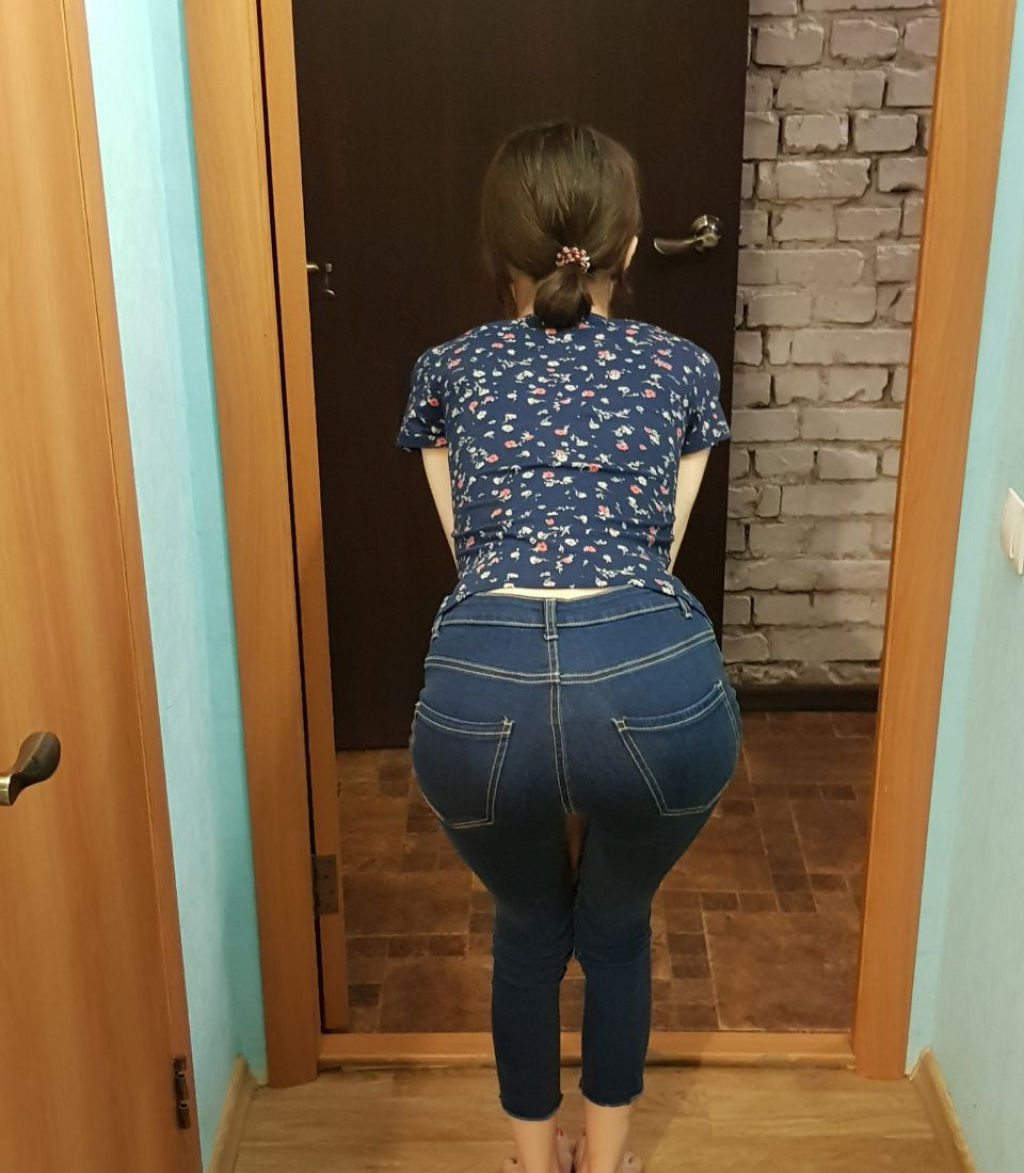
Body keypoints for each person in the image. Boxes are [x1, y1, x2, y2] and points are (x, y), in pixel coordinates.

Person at [396, 121, 741, 1173]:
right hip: (655, 690)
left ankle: (533, 1161)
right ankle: (611, 1157)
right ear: (627, 248)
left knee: (527, 925)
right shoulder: (682, 367)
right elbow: (655, 555)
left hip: (481, 696)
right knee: (618, 926)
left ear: (496, 250)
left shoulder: (447, 370)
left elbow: (471, 557)